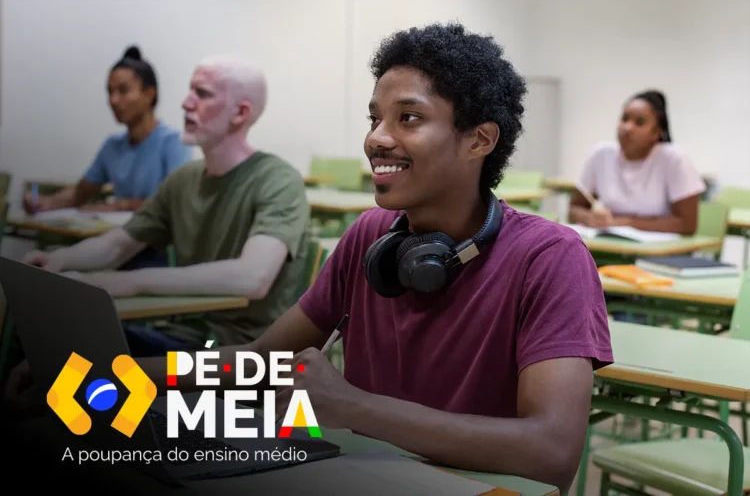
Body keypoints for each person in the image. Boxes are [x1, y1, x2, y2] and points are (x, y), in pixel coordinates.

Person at [6, 25, 610, 493]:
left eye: (410, 118)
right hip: (360, 471)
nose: (377, 137)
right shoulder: (371, 237)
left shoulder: (550, 259)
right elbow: (260, 364)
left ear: (479, 139)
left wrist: (352, 407)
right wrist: (107, 379)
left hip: (475, 488)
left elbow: (552, 450)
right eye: (375, 118)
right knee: (95, 444)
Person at [18, 55, 311, 354]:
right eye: (190, 91)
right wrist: (60, 260)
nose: (186, 103)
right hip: (180, 334)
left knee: (90, 366)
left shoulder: (279, 180)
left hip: (238, 353)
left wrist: (130, 282)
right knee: (55, 348)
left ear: (240, 113)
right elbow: (119, 244)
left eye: (203, 93)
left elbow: (252, 277)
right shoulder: (183, 180)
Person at [22, 46, 192, 214]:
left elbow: (177, 202)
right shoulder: (113, 146)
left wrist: (121, 206)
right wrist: (45, 202)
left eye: (123, 90)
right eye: (110, 92)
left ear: (149, 94)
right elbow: (79, 194)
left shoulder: (175, 142)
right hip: (122, 237)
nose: (113, 100)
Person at [569, 90, 706, 235]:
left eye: (639, 122)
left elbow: (687, 225)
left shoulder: (675, 159)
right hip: (610, 247)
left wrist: (624, 223)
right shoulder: (600, 154)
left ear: (656, 133)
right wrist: (589, 218)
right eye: (624, 119)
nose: (627, 128)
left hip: (661, 254)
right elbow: (574, 209)